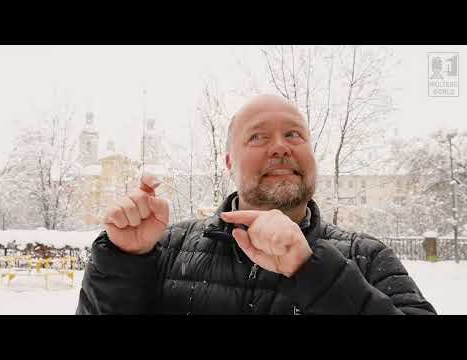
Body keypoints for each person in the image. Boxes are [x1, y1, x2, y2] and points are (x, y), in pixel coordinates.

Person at [76, 94, 436, 315]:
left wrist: (313, 272)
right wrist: (122, 261)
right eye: (258, 136)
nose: (280, 146)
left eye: (293, 134)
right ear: (229, 162)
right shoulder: (165, 250)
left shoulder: (368, 258)